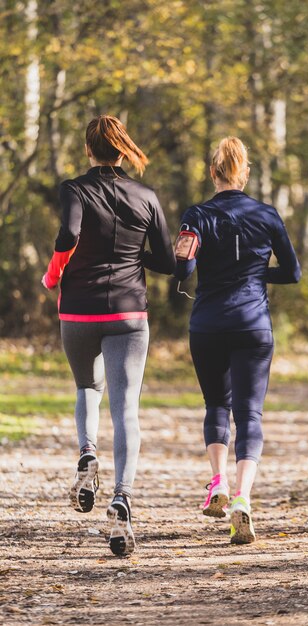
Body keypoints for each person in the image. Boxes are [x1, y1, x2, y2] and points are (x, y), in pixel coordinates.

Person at [42, 115, 175, 556]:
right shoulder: (146, 196)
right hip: (129, 314)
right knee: (126, 408)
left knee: (86, 387)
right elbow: (168, 261)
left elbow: (69, 234)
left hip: (78, 311)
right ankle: (122, 496)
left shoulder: (73, 190)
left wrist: (52, 274)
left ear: (88, 150)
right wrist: (134, 256)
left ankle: (86, 453)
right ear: (122, 151)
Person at [174, 137, 301, 544]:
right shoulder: (266, 215)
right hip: (253, 325)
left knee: (216, 405)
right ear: (244, 173)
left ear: (213, 172)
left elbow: (183, 270)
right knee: (250, 415)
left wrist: (189, 259)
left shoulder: (197, 215)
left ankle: (218, 484)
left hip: (208, 324)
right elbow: (293, 273)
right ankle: (243, 499)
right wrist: (254, 275)